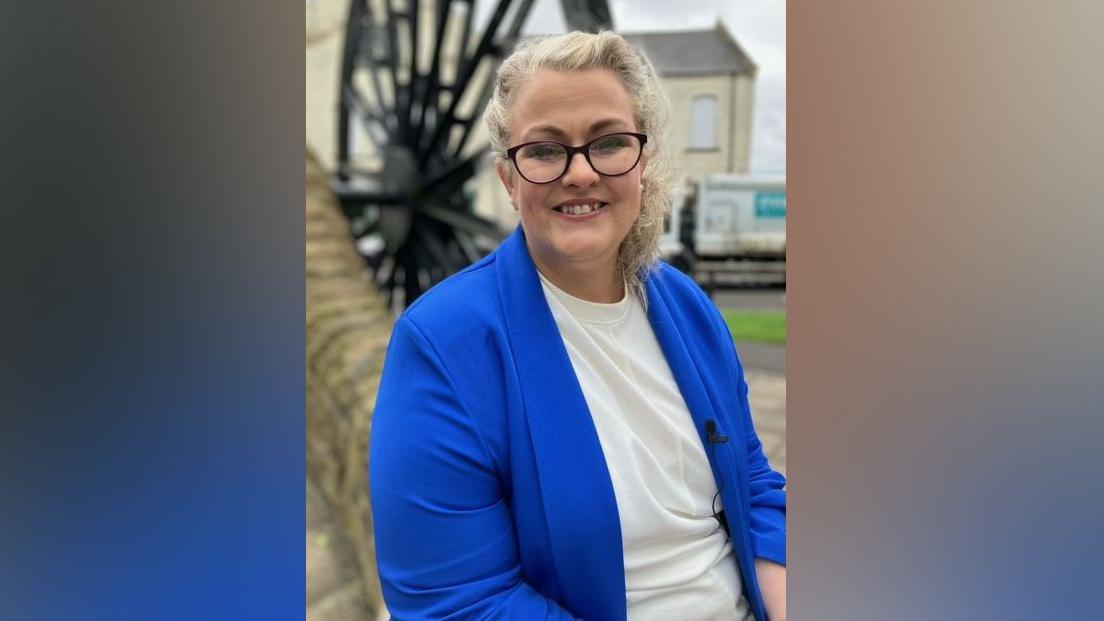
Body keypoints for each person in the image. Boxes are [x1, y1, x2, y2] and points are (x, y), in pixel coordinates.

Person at [369, 31, 786, 621]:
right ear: (508, 179)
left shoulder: (688, 307)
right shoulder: (443, 346)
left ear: (642, 162)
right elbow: (458, 602)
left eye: (609, 142)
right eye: (544, 150)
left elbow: (752, 480)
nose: (582, 173)